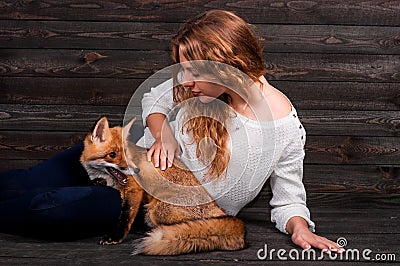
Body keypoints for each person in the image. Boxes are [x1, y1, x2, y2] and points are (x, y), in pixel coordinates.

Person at [0, 9, 341, 253]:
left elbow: (289, 198)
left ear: (228, 66)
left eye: (192, 71)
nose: (185, 80)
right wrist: (163, 132)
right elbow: (153, 98)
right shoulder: (197, 85)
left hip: (150, 200)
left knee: (48, 208)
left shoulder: (283, 128)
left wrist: (299, 229)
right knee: (26, 180)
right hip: (121, 158)